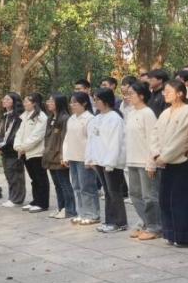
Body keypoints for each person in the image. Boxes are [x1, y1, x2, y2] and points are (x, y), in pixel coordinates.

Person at [155, 79, 188, 247]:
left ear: (180, 93)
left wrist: (164, 156)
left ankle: (186, 236)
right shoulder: (165, 112)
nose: (165, 94)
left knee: (183, 200)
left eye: (169, 91)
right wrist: (156, 154)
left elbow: (182, 138)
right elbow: (155, 134)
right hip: (165, 161)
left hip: (181, 161)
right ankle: (171, 233)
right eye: (164, 91)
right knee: (165, 199)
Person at [124, 81, 162, 240]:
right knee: (134, 195)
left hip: (145, 161)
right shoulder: (131, 113)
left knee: (149, 196)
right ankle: (146, 223)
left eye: (131, 93)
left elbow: (154, 139)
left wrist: (151, 162)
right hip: (132, 160)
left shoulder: (148, 113)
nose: (128, 96)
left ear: (141, 95)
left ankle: (155, 227)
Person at [86, 88, 128, 233]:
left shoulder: (115, 118)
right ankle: (109, 220)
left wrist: (110, 163)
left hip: (112, 163)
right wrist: (90, 158)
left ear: (106, 101)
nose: (95, 102)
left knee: (114, 192)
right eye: (94, 99)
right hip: (99, 161)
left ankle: (119, 222)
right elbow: (91, 140)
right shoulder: (96, 118)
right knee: (107, 192)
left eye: (97, 99)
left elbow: (115, 142)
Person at [65, 92, 99, 225]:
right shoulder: (71, 118)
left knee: (87, 187)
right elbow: (67, 138)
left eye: (75, 102)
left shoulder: (90, 119)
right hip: (73, 157)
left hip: (84, 158)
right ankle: (81, 213)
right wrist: (66, 155)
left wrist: (90, 158)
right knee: (77, 186)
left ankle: (93, 214)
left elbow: (92, 140)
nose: (72, 105)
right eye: (71, 102)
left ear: (84, 103)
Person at [15, 93, 50, 214]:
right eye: (24, 101)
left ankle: (43, 203)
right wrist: (18, 146)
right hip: (25, 152)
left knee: (40, 178)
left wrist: (23, 147)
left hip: (36, 153)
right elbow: (19, 133)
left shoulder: (41, 117)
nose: (24, 103)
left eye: (27, 101)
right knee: (33, 178)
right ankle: (36, 200)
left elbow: (36, 136)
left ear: (34, 103)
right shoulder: (24, 116)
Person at [43, 94, 75, 220]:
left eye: (52, 101)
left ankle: (70, 209)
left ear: (59, 103)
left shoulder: (65, 118)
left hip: (60, 157)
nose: (48, 103)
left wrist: (63, 156)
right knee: (57, 184)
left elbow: (65, 139)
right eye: (48, 100)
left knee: (64, 184)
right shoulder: (50, 118)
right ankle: (61, 207)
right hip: (50, 156)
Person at [0, 93, 26, 207]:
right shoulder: (5, 116)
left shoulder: (18, 117)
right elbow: (0, 132)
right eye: (4, 99)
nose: (4, 101)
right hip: (5, 150)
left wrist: (4, 145)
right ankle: (12, 197)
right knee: (9, 174)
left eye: (7, 99)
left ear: (14, 101)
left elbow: (15, 134)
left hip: (13, 149)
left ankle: (17, 199)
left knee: (15, 174)